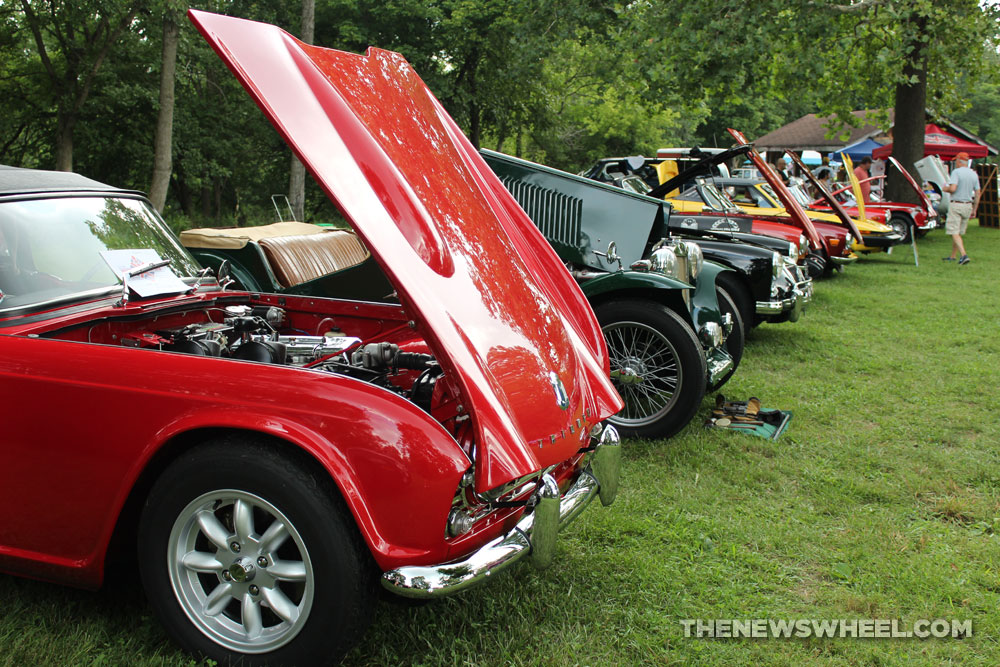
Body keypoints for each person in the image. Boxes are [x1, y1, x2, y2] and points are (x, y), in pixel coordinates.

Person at [942, 151, 980, 264]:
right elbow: (978, 193)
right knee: (958, 232)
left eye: (956, 161)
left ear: (959, 161)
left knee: (953, 231)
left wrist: (945, 189)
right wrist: (975, 209)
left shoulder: (956, 172)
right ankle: (953, 256)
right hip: (968, 205)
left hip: (956, 204)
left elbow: (953, 188)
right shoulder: (974, 174)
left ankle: (964, 255)